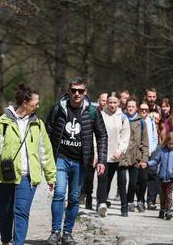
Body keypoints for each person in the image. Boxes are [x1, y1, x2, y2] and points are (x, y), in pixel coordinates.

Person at [46, 77, 108, 245]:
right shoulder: (59, 108)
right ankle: (55, 231)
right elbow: (47, 131)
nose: (76, 94)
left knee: (74, 198)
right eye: (73, 90)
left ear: (85, 92)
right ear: (68, 90)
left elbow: (102, 134)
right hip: (61, 158)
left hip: (81, 161)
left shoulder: (92, 112)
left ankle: (67, 232)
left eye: (80, 91)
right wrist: (45, 159)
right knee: (59, 194)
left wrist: (101, 159)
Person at [0, 83, 56, 245]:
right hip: (5, 175)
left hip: (27, 176)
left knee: (21, 212)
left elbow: (45, 151)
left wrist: (50, 175)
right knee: (6, 212)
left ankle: (19, 243)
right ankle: (5, 241)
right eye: (35, 103)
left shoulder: (38, 124)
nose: (37, 106)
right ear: (25, 103)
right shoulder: (2, 122)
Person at [97, 92, 130, 217]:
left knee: (121, 181)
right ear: (106, 102)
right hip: (104, 153)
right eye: (109, 102)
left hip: (118, 155)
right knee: (104, 180)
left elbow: (125, 136)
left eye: (114, 102)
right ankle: (102, 204)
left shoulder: (123, 117)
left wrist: (120, 150)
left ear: (118, 103)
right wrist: (96, 153)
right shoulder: (101, 115)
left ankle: (124, 208)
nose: (112, 105)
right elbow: (96, 134)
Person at [142, 131, 173, 220]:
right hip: (161, 177)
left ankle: (168, 211)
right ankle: (162, 210)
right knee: (162, 195)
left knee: (168, 194)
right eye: (169, 144)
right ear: (166, 142)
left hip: (171, 177)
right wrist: (147, 164)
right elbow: (156, 160)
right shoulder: (162, 150)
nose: (171, 146)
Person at [119, 97, 149, 216]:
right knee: (122, 181)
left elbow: (145, 142)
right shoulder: (121, 119)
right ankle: (124, 205)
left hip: (136, 156)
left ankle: (131, 200)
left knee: (133, 182)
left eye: (133, 106)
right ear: (126, 107)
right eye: (128, 106)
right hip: (122, 154)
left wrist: (144, 158)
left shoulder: (141, 122)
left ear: (136, 108)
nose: (130, 108)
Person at [81, 92, 108, 210]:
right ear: (99, 101)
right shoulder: (92, 112)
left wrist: (98, 155)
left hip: (101, 152)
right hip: (90, 150)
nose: (106, 103)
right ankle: (87, 197)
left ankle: (98, 201)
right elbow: (91, 136)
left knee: (97, 178)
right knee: (87, 178)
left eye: (108, 101)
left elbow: (102, 136)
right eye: (103, 101)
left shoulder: (110, 115)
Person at [137, 101, 158, 211]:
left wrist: (151, 150)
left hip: (151, 152)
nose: (144, 111)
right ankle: (140, 200)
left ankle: (151, 200)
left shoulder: (151, 121)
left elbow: (155, 137)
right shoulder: (136, 121)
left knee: (152, 176)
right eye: (142, 109)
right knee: (141, 178)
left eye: (146, 110)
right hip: (139, 154)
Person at [144, 88, 161, 209]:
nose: (151, 99)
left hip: (156, 144)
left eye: (153, 97)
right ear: (146, 97)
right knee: (142, 173)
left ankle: (151, 200)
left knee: (153, 173)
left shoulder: (159, 109)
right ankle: (139, 198)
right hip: (143, 143)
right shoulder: (142, 108)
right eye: (149, 96)